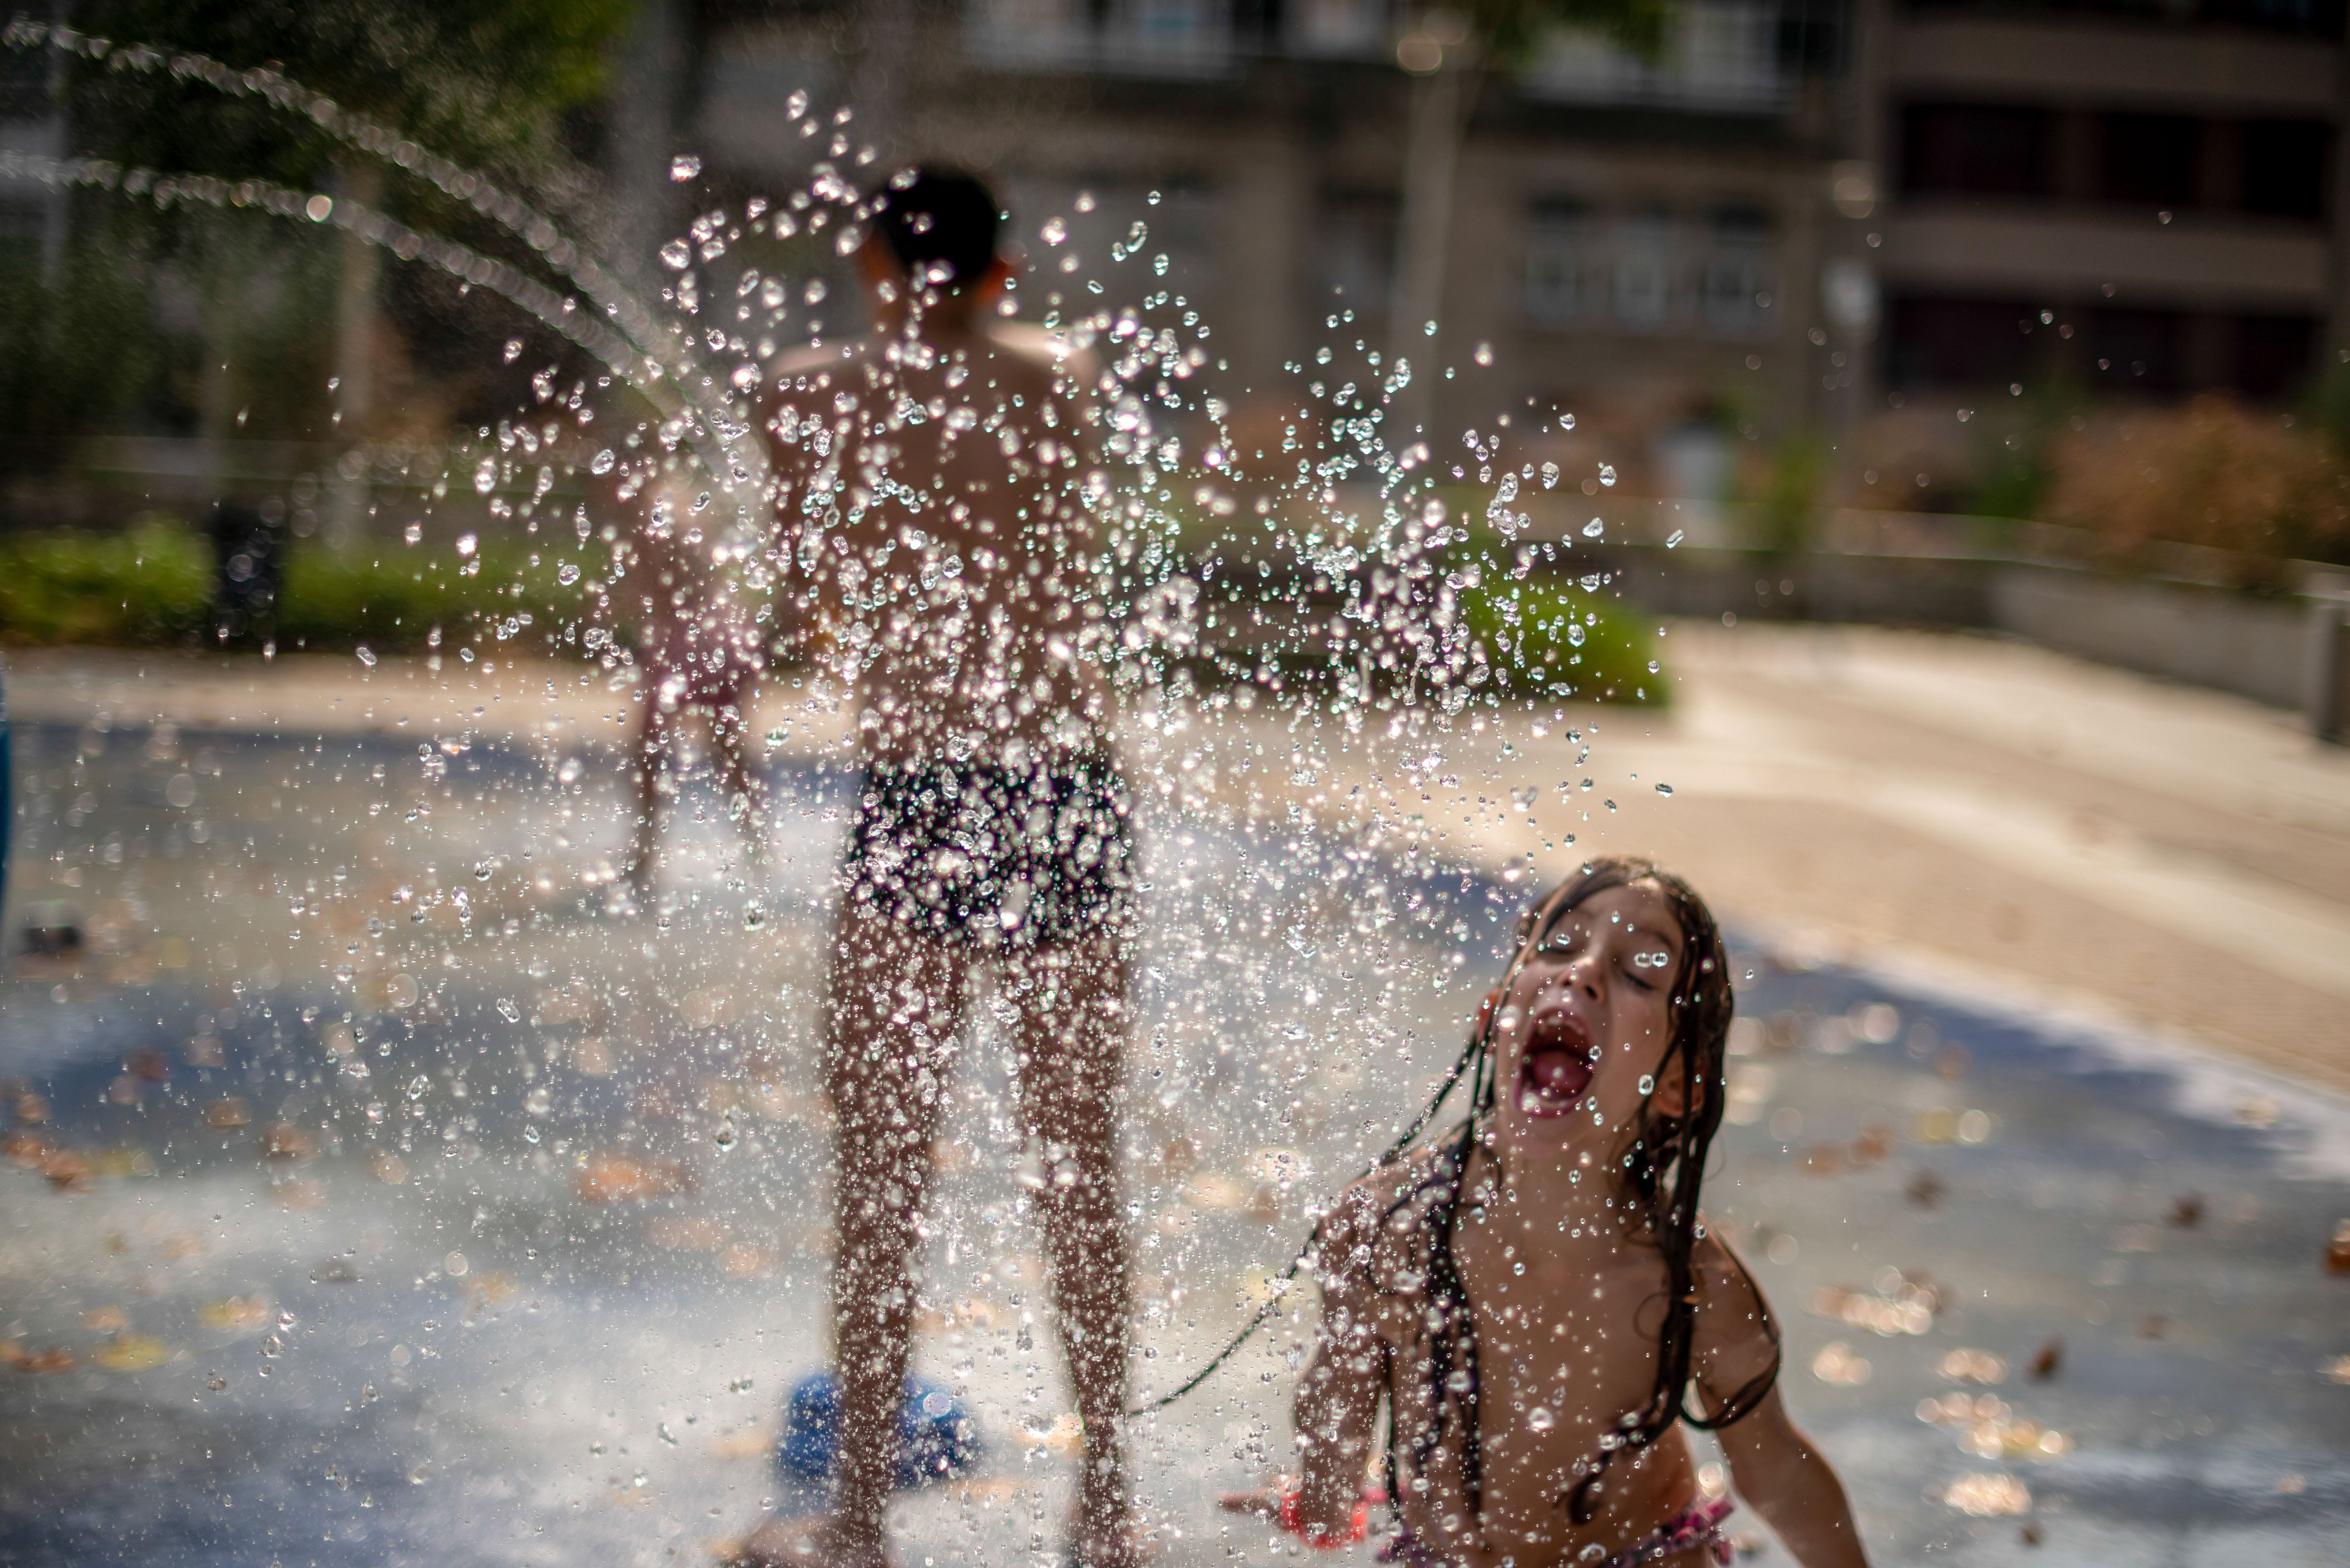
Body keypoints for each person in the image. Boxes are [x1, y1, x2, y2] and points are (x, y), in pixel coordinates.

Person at [736, 169, 1139, 1568]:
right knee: (1076, 1163)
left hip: (914, 796)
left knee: (880, 1172)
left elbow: (809, 609)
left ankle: (853, 1520)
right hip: (1064, 789)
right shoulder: (1061, 374)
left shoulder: (801, 395)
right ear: (1001, 273)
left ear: (860, 257)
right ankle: (1108, 1511)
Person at [1221, 857, 1869, 1568]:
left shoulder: (1690, 1287)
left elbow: (1774, 1473)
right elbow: (1334, 1442)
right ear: (1496, 1013)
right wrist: (1315, 1504)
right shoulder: (1383, 1230)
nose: (1583, 972)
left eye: (1640, 974)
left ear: (1678, 1083)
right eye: (1559, 947)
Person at [610, 462, 771, 904]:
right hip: (720, 635)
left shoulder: (650, 514)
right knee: (728, 748)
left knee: (649, 752)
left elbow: (657, 591)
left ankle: (644, 857)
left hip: (684, 645)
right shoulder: (686, 502)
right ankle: (757, 847)